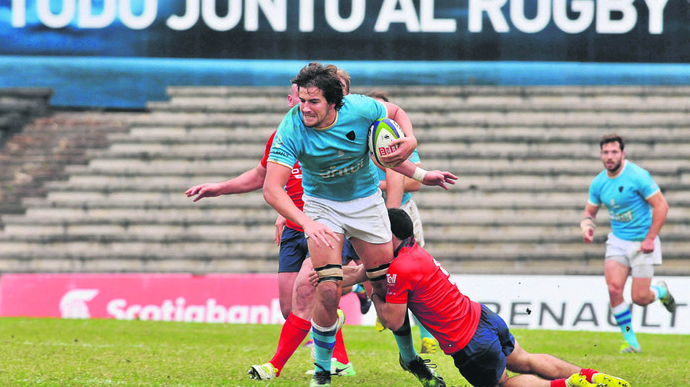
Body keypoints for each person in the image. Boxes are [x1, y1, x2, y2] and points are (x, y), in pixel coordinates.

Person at [264, 62, 457, 387]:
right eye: (302, 101)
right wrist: (306, 221)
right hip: (322, 207)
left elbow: (395, 112)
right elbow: (271, 188)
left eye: (313, 102)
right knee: (326, 290)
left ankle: (409, 358)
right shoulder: (291, 126)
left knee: (384, 288)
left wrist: (413, 146)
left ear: (334, 102)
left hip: (366, 204)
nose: (305, 108)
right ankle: (323, 370)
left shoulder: (362, 108)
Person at [331, 208, 632, 387]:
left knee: (502, 383)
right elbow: (366, 274)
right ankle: (589, 377)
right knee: (524, 360)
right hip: (483, 318)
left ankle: (565, 385)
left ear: (391, 235)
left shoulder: (399, 268)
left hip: (469, 343)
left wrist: (370, 284)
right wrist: (347, 274)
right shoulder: (415, 253)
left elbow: (393, 320)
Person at [185, 83, 357, 379]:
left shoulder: (341, 134)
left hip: (326, 228)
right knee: (291, 310)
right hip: (294, 229)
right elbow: (262, 176)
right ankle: (340, 359)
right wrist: (220, 189)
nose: (300, 103)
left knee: (307, 293)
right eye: (297, 97)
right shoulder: (283, 136)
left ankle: (274, 366)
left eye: (307, 98)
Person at [581, 134, 676, 354]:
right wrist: (587, 227)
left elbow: (662, 206)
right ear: (601, 155)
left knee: (640, 298)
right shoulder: (599, 183)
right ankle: (631, 341)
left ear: (622, 154)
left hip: (642, 242)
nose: (610, 156)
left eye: (614, 152)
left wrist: (650, 238)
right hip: (617, 242)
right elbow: (589, 212)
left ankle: (660, 291)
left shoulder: (637, 176)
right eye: (606, 152)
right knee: (614, 289)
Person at [367, 90, 437, 355]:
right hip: (367, 212)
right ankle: (377, 302)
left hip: (401, 212)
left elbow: (414, 182)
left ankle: (427, 334)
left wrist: (381, 184)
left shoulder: (394, 136)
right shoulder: (360, 137)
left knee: (413, 272)